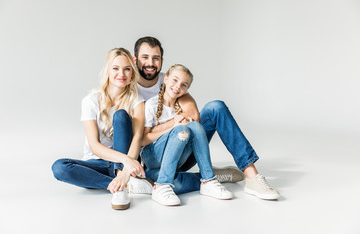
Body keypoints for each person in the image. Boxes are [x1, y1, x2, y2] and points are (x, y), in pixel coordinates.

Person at [133, 36, 280, 200]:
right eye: (145, 57)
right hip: (154, 156)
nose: (150, 63)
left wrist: (178, 123)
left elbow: (193, 117)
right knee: (172, 183)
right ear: (135, 59)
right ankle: (209, 175)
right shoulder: (128, 87)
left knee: (215, 107)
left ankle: (252, 176)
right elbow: (139, 136)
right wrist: (172, 125)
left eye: (156, 58)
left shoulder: (171, 80)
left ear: (162, 61)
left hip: (183, 147)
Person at [51, 48, 153, 210]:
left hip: (126, 164)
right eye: (116, 68)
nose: (122, 73)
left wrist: (125, 169)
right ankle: (123, 186)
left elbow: (137, 137)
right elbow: (94, 146)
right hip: (99, 163)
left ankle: (121, 180)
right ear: (107, 70)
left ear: (132, 73)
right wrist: (125, 160)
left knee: (120, 115)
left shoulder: (137, 100)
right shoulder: (91, 100)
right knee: (59, 167)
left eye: (127, 69)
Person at [142, 64, 233, 206]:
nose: (178, 86)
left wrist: (185, 125)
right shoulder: (151, 104)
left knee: (195, 126)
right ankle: (162, 185)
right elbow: (144, 139)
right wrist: (174, 127)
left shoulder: (184, 105)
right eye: (174, 80)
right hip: (153, 158)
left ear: (186, 89)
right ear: (165, 79)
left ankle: (208, 180)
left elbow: (195, 120)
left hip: (175, 162)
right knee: (180, 130)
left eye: (183, 85)